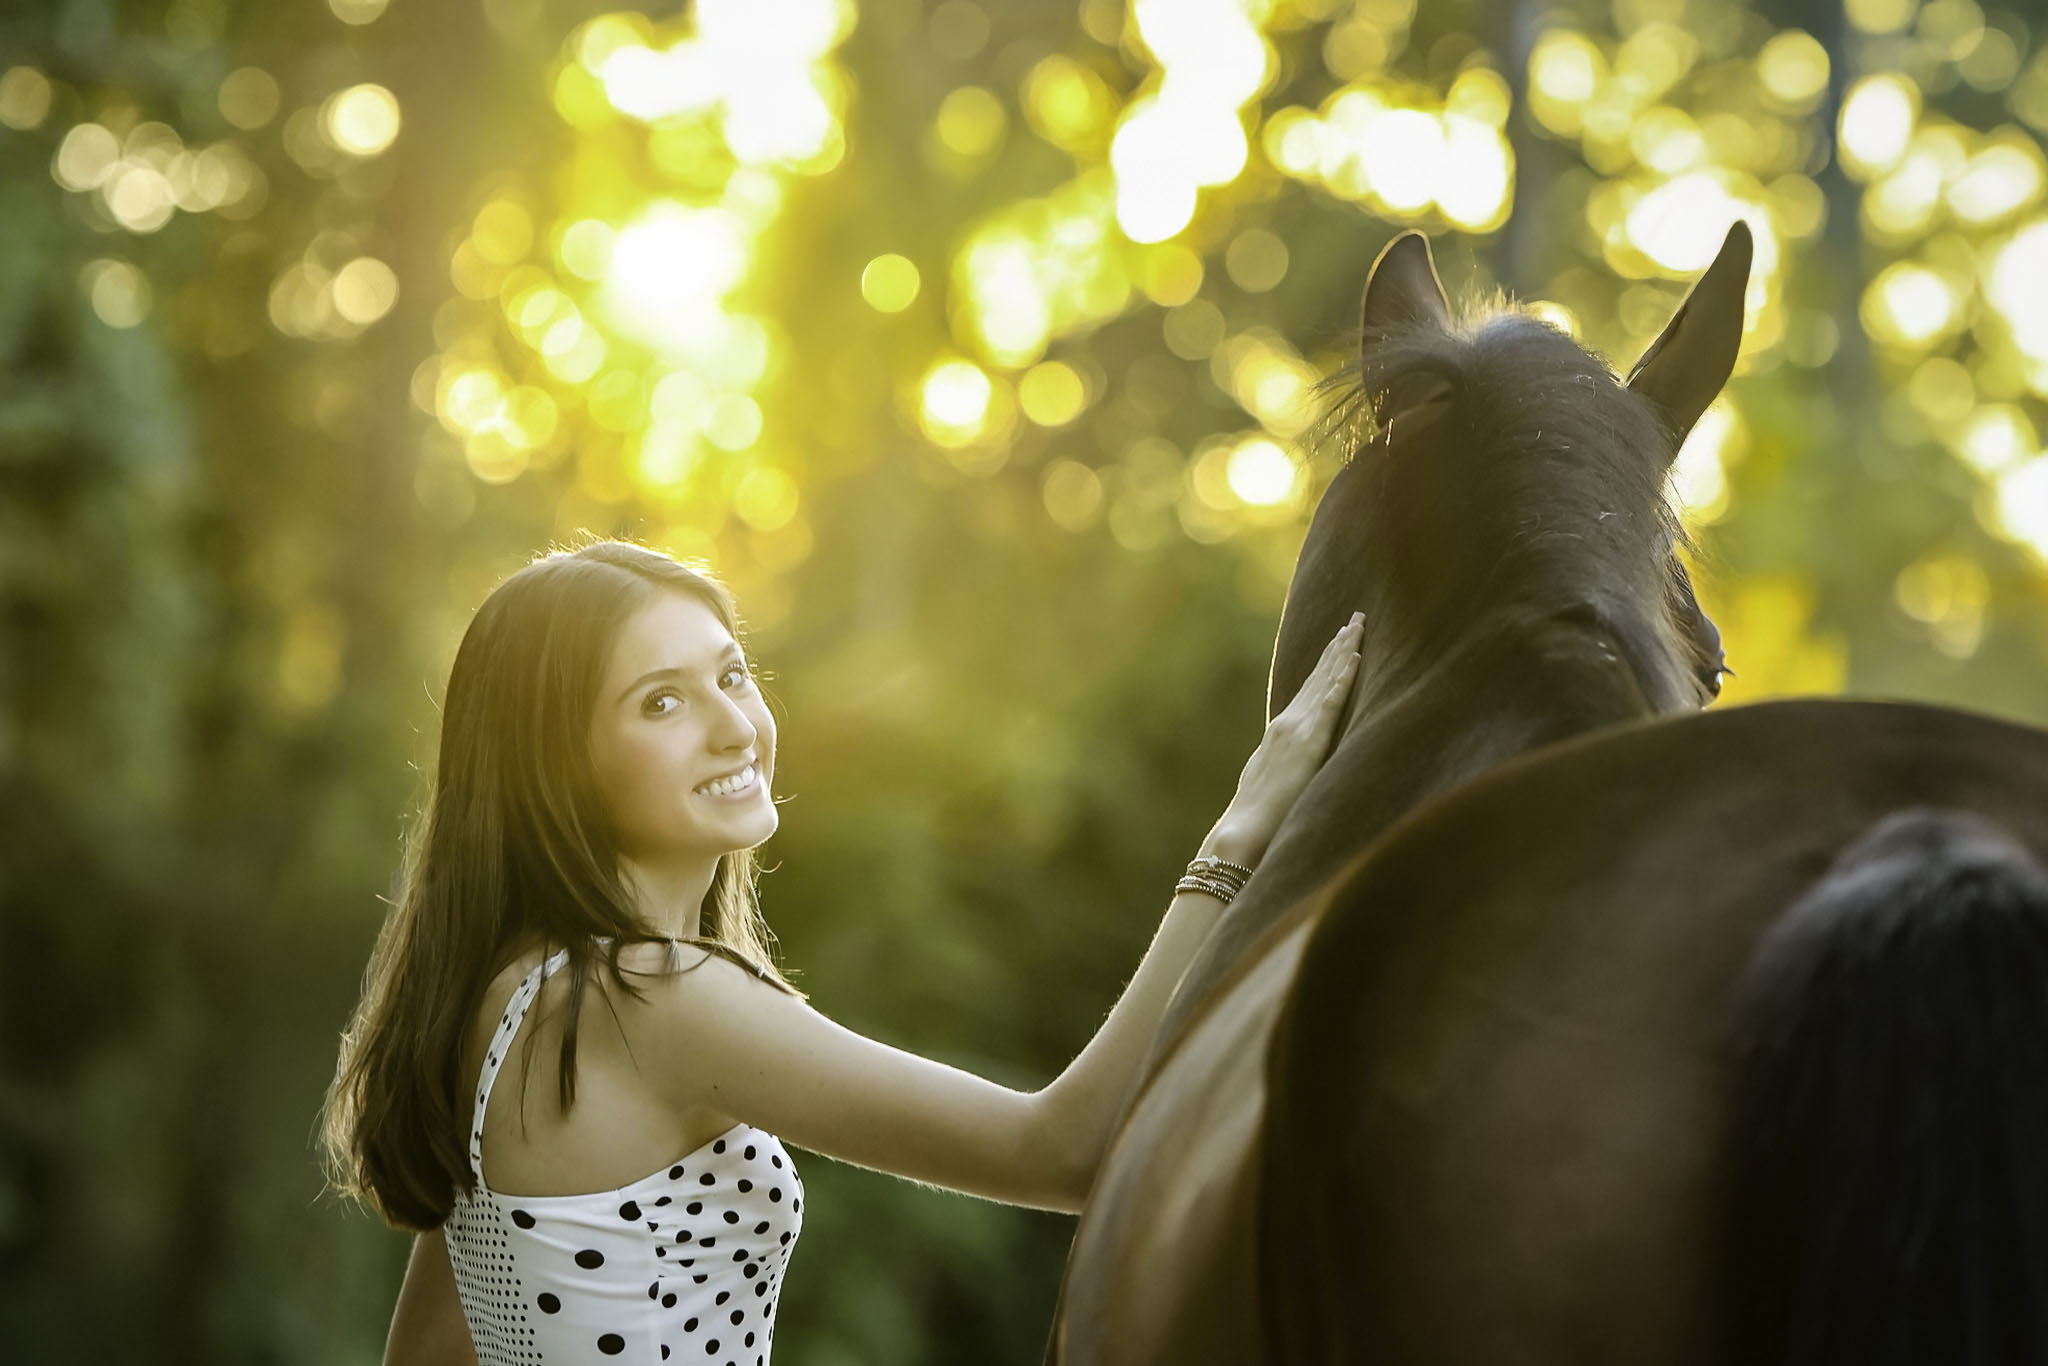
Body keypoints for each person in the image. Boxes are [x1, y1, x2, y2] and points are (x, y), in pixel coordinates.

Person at [321, 539, 1364, 1366]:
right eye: (662, 701)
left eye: (732, 674)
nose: (734, 725)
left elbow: (429, 1351)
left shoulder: (505, 999)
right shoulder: (652, 996)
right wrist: (1235, 842)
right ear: (556, 763)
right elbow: (1066, 1150)